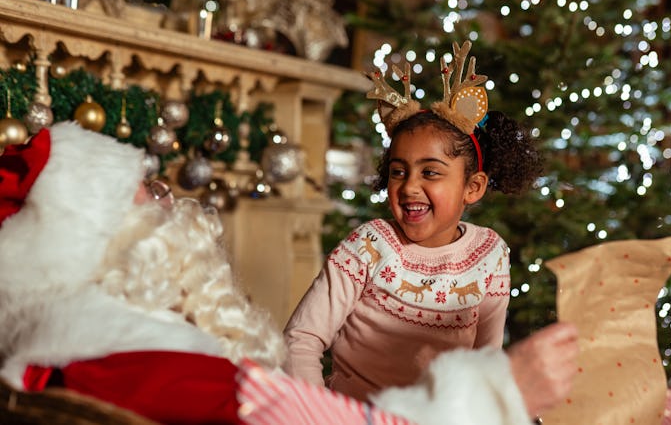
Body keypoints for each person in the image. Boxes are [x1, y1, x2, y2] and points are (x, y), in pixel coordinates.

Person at [0, 121, 577, 425]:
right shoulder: (139, 360)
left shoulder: (106, 343)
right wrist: (498, 397)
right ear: (98, 239)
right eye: (143, 195)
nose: (164, 197)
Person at [283, 40, 544, 402]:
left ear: (473, 187)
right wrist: (320, 415)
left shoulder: (490, 255)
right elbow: (301, 339)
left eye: (431, 173)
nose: (409, 188)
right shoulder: (368, 247)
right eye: (398, 171)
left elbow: (487, 362)